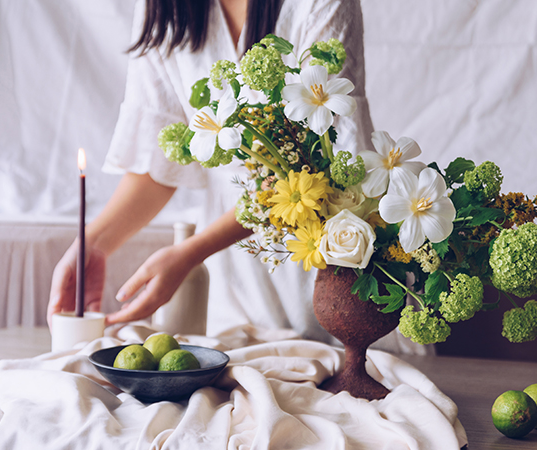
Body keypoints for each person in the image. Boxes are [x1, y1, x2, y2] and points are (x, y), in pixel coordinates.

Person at [47, 0, 377, 343]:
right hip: (231, 272)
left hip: (325, 252)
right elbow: (158, 163)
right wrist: (94, 245)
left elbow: (320, 162)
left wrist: (192, 252)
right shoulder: (163, 7)